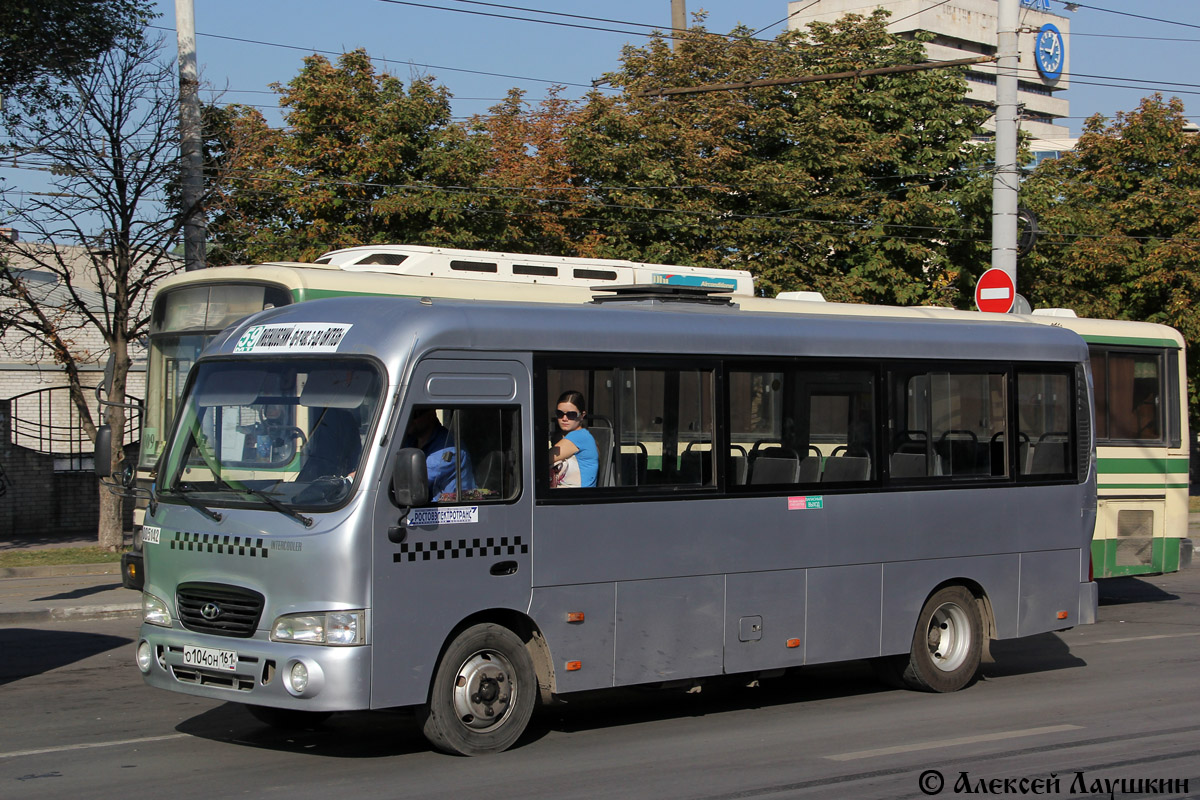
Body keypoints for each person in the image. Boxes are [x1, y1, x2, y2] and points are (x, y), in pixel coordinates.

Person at [403, 407, 475, 501]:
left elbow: (414, 482)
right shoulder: (410, 441)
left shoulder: (448, 448)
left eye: (414, 415)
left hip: (451, 511)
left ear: (431, 414)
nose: (408, 419)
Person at [550, 390, 598, 488]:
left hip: (578, 497)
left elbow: (541, 460)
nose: (564, 418)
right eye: (560, 414)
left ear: (582, 416)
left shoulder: (579, 436)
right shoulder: (566, 436)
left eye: (571, 415)